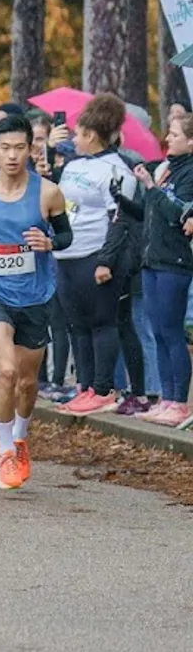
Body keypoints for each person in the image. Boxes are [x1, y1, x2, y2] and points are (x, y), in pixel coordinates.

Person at [0, 113, 71, 490]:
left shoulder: (48, 193)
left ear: (31, 149)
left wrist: (50, 242)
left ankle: (21, 439)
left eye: (19, 148)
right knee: (5, 371)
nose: (11, 155)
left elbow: (66, 236)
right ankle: (5, 452)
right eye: (4, 148)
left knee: (26, 382)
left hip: (35, 296)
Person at [53, 93, 141, 416]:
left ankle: (103, 389)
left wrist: (107, 260)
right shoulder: (75, 164)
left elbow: (120, 219)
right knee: (78, 325)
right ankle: (85, 386)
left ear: (91, 134)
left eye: (77, 133)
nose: (74, 138)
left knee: (102, 323)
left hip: (96, 256)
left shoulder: (117, 171)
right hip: (67, 255)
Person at [138, 113, 193, 427]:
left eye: (174, 134)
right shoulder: (168, 169)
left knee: (171, 331)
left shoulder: (189, 173)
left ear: (190, 140)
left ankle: (180, 402)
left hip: (175, 261)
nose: (168, 138)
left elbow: (177, 213)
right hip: (152, 260)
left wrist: (152, 188)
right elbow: (154, 211)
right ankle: (166, 397)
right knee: (157, 330)